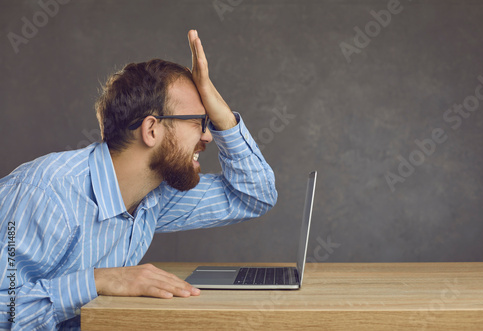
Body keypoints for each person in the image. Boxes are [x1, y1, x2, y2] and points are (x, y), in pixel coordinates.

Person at [0, 30, 277, 330]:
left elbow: (253, 196)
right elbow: (6, 308)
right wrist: (99, 280)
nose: (208, 136)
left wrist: (223, 113)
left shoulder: (153, 195)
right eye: (200, 122)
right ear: (152, 130)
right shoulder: (44, 195)